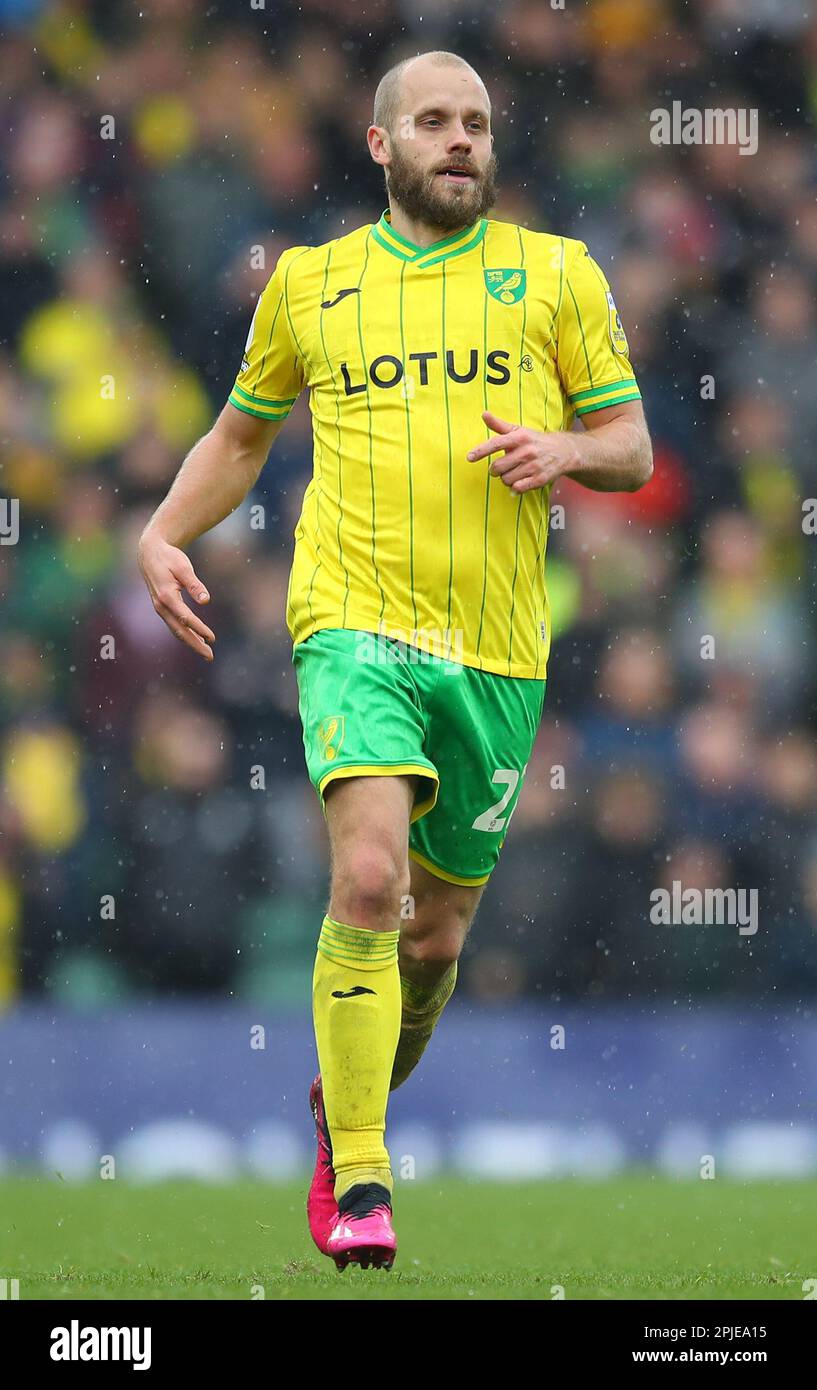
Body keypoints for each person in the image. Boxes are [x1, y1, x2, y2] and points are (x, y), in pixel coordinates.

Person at [138, 49, 653, 1271]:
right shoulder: (310, 286)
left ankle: (342, 1101)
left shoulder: (556, 274)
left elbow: (631, 444)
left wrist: (566, 453)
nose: (460, 139)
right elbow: (238, 436)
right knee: (367, 880)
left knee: (429, 940)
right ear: (381, 144)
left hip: (498, 651)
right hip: (354, 624)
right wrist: (161, 530)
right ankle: (361, 1173)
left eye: (475, 121)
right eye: (433, 120)